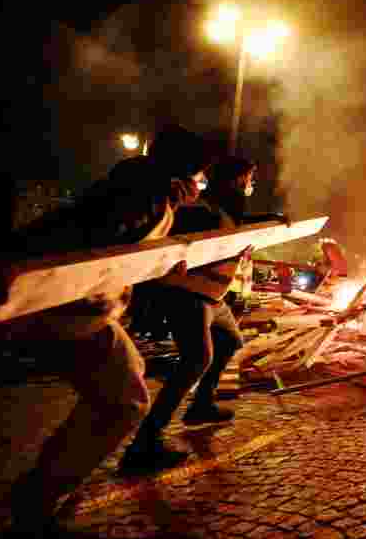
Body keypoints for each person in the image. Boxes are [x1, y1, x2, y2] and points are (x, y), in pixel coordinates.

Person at [0, 126, 214, 537]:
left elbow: (119, 251)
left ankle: (39, 495)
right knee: (123, 402)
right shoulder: (144, 194)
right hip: (67, 310)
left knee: (121, 396)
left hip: (86, 310)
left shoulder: (146, 190)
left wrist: (160, 262)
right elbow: (82, 237)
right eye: (201, 179)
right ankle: (33, 504)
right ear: (183, 176)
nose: (201, 188)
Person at [118, 155, 286, 474]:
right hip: (188, 295)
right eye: (249, 178)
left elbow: (235, 230)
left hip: (212, 297)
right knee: (196, 360)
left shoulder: (224, 212)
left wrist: (271, 220)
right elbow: (176, 244)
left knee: (230, 341)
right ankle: (144, 444)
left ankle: (201, 405)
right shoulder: (202, 211)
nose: (252, 184)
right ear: (237, 179)